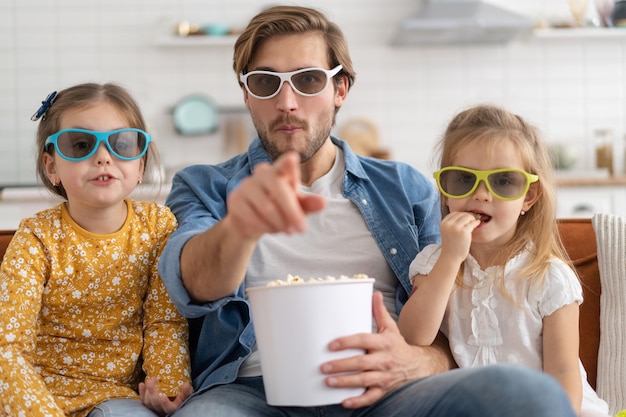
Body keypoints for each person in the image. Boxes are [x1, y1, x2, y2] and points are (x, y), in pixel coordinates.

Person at [157, 6, 576, 417]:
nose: (287, 102)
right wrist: (240, 228)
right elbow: (195, 284)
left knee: (526, 394)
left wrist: (416, 362)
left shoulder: (405, 187)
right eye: (266, 82)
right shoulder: (203, 186)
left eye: (308, 80)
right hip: (249, 392)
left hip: (389, 391)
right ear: (247, 94)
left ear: (340, 90)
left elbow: (452, 320)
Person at [397, 104, 610, 417]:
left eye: (503, 181)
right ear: (445, 192)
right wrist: (451, 258)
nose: (482, 194)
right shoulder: (434, 264)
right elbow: (414, 336)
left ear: (529, 197)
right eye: (462, 180)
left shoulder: (549, 277)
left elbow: (563, 373)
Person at [0, 83, 193, 417]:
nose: (104, 156)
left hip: (120, 401)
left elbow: (164, 321)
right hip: (41, 396)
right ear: (52, 167)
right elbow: (9, 346)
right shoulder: (36, 237)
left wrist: (168, 388)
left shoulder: (158, 227)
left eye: (122, 144)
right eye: (81, 145)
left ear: (141, 165)